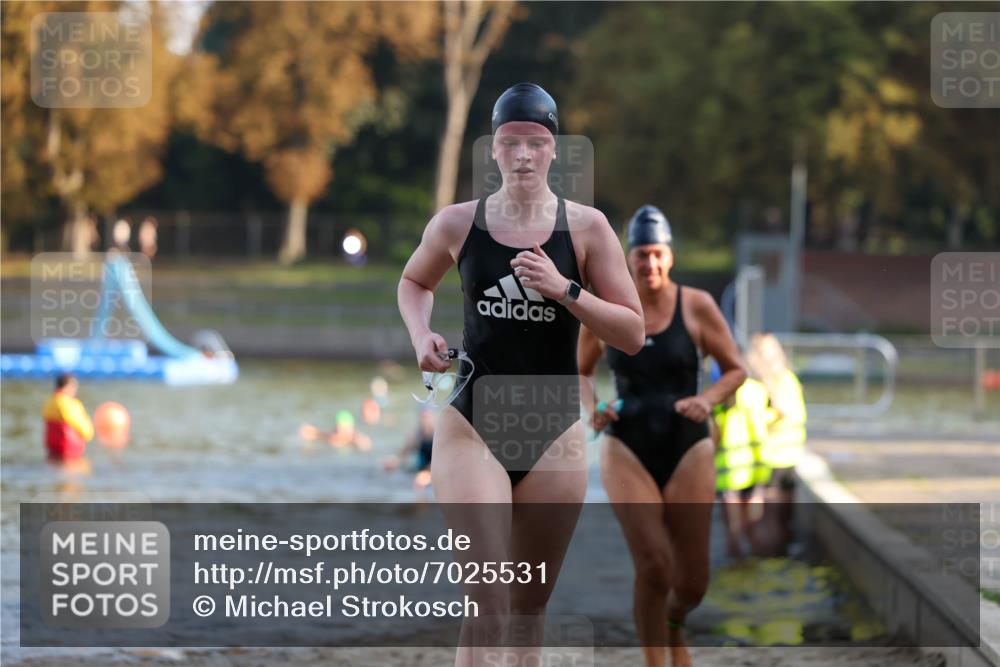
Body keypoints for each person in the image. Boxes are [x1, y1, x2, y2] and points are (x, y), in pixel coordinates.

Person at [398, 83, 644, 665]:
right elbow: (414, 282)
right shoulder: (458, 223)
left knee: (528, 609)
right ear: (494, 150)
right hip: (473, 426)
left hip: (553, 433)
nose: (524, 155)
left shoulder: (587, 229)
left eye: (536, 142)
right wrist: (421, 335)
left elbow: (632, 333)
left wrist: (566, 290)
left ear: (554, 148)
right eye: (510, 143)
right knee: (489, 605)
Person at [578, 205, 745, 667]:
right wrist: (593, 408)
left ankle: (674, 623)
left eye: (657, 254)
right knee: (653, 564)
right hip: (625, 443)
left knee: (691, 583)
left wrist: (707, 400)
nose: (650, 263)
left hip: (688, 443)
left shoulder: (696, 305)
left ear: (670, 256)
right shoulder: (607, 307)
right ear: (629, 259)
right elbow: (580, 371)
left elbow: (736, 369)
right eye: (641, 255)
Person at [746, 333, 806, 555]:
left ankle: (771, 555)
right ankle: (777, 554)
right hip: (784, 457)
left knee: (774, 517)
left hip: (777, 459)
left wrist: (762, 418)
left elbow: (782, 411)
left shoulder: (774, 382)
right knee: (780, 516)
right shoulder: (785, 379)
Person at [42, 373, 95, 463]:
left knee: (54, 466)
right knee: (79, 469)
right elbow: (80, 425)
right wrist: (89, 434)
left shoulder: (50, 401)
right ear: (68, 386)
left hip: (53, 447)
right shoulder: (67, 403)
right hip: (68, 448)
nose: (75, 389)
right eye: (74, 386)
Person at [382, 406, 436, 491]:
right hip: (420, 470)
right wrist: (394, 461)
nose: (424, 420)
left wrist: (428, 474)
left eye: (426, 416)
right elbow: (403, 453)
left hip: (434, 471)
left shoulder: (438, 435)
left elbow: (443, 461)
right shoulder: (417, 435)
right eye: (422, 416)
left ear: (433, 416)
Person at [298, 410, 372, 452]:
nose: (339, 429)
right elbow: (316, 435)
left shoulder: (355, 437)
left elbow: (365, 445)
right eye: (337, 427)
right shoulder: (332, 436)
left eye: (342, 427)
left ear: (350, 427)